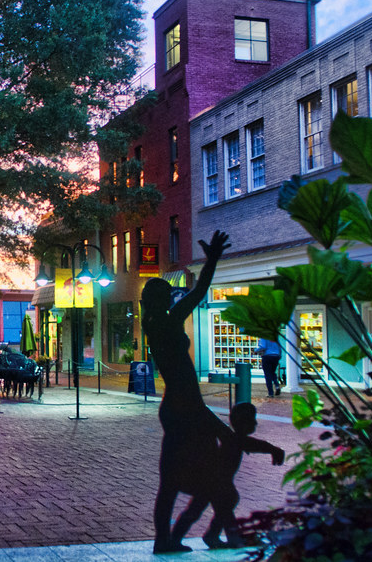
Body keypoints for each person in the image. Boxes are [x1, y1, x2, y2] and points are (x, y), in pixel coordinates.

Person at [142, 230, 232, 554]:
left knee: (169, 483)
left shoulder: (154, 324)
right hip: (185, 407)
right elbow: (199, 292)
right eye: (168, 294)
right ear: (161, 300)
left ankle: (164, 539)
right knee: (208, 473)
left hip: (176, 406)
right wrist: (211, 261)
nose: (172, 298)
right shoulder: (168, 322)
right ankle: (196, 533)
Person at [170, 403, 285, 549]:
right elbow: (252, 444)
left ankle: (211, 535)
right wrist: (273, 450)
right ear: (243, 423)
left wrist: (272, 450)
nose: (255, 423)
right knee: (215, 506)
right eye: (252, 420)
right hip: (214, 482)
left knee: (211, 507)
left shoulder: (234, 438)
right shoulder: (234, 439)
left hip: (216, 482)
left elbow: (252, 444)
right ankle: (225, 537)